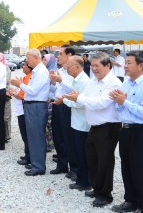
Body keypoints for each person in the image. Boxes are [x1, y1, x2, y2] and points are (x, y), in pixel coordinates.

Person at [63, 52, 121, 208]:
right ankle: (97, 188)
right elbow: (86, 97)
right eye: (93, 65)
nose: (94, 69)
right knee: (93, 160)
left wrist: (79, 98)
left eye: (97, 66)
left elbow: (100, 103)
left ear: (107, 66)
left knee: (105, 162)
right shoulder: (94, 81)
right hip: (94, 127)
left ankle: (105, 195)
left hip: (108, 127)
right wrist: (79, 97)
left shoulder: (113, 83)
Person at [109, 51, 143, 213]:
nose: (125, 65)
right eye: (126, 62)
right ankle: (130, 200)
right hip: (126, 130)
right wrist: (118, 101)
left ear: (141, 65)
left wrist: (124, 102)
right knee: (127, 167)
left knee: (141, 170)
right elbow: (120, 108)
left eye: (129, 62)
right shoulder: (126, 84)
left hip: (142, 132)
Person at [10, 49, 50, 176]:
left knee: (36, 136)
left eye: (28, 58)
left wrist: (20, 84)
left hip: (37, 106)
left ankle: (39, 166)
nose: (26, 61)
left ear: (35, 57)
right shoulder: (37, 71)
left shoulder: (42, 72)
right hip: (32, 106)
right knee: (32, 136)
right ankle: (35, 163)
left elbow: (33, 91)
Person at [54, 56, 91, 191]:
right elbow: (73, 98)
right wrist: (65, 100)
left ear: (77, 66)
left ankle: (85, 181)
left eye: (69, 66)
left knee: (82, 153)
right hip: (76, 122)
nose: (67, 68)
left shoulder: (84, 81)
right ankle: (81, 179)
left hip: (82, 123)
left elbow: (82, 103)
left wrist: (66, 101)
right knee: (77, 151)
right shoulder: (76, 80)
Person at [49, 45, 78, 180]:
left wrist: (60, 81)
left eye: (61, 54)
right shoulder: (59, 70)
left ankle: (74, 168)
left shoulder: (74, 73)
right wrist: (53, 83)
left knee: (69, 137)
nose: (58, 56)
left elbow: (74, 91)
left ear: (69, 55)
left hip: (68, 105)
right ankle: (61, 164)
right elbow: (57, 91)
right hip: (57, 104)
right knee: (58, 135)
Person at [10, 62, 32, 166]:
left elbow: (22, 96)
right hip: (21, 109)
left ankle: (29, 157)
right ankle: (27, 154)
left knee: (26, 135)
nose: (22, 66)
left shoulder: (28, 78)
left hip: (24, 110)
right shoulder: (25, 77)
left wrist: (13, 93)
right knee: (24, 135)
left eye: (24, 65)